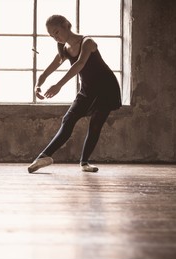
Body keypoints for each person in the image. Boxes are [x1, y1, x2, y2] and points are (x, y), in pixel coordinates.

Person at [28, 15, 121, 173]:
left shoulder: (87, 42)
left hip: (106, 87)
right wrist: (38, 83)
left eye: (56, 32)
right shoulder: (64, 49)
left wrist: (59, 85)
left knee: (95, 125)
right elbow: (50, 68)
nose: (56, 38)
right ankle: (44, 156)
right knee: (68, 120)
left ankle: (84, 163)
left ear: (66, 25)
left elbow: (80, 64)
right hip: (88, 89)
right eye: (52, 36)